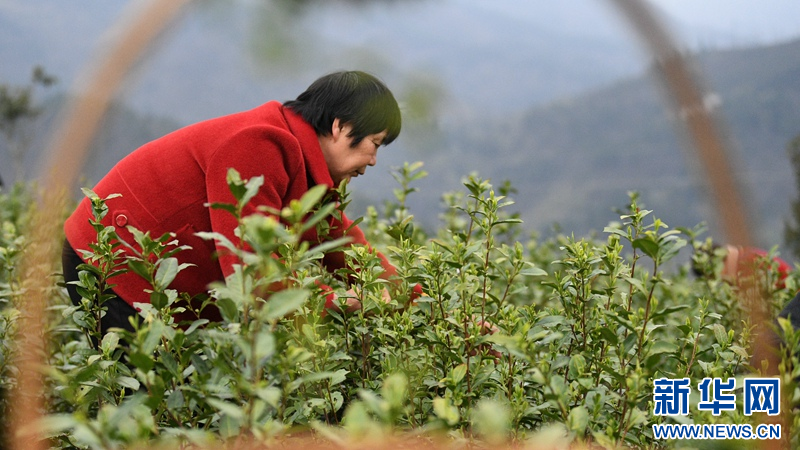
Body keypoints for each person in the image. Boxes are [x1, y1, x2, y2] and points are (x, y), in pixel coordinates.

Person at [62, 71, 418, 336]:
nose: (373, 161)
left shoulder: (303, 167)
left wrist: (424, 304)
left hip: (150, 278)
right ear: (340, 126)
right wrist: (339, 304)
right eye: (375, 143)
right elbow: (253, 274)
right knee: (148, 414)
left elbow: (347, 247)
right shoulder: (258, 146)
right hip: (111, 263)